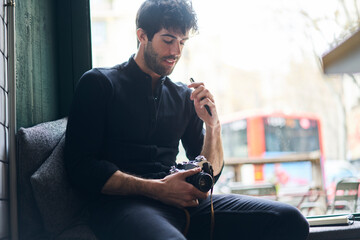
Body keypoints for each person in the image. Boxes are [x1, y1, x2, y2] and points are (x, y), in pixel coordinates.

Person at [64, 0, 309, 239]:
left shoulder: (183, 97)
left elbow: (208, 173)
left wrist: (214, 127)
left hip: (181, 204)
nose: (176, 51)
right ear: (142, 36)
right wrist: (159, 189)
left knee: (289, 219)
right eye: (168, 40)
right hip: (122, 206)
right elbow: (81, 168)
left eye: (182, 42)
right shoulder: (99, 84)